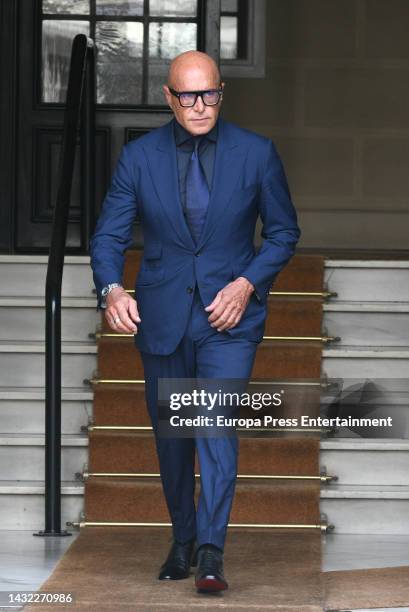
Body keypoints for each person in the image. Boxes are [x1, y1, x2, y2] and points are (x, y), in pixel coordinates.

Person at [90, 50, 301, 593]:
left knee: (214, 426)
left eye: (208, 93)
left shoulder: (256, 154)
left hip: (228, 318)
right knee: (172, 439)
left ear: (221, 92)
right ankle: (182, 539)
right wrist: (111, 289)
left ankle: (211, 550)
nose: (200, 105)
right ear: (169, 97)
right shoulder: (139, 158)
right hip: (161, 317)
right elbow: (109, 234)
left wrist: (247, 282)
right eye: (188, 95)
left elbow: (282, 233)